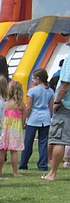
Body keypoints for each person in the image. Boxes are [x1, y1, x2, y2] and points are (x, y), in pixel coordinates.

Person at [43, 43, 70, 182]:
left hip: (66, 105)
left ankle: (52, 173)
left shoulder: (69, 58)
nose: (66, 39)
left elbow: (65, 84)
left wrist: (57, 101)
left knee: (59, 139)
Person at [19, 68, 54, 172]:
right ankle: (43, 165)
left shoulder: (32, 91)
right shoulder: (50, 91)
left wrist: (24, 119)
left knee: (28, 142)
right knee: (43, 142)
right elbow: (50, 107)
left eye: (34, 78)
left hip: (33, 118)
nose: (33, 80)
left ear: (38, 79)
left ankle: (23, 163)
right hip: (45, 118)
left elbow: (28, 107)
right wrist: (50, 116)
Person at [0, 79, 26, 177]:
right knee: (14, 151)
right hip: (15, 129)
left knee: (2, 150)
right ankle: (15, 172)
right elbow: (23, 119)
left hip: (5, 127)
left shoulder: (5, 103)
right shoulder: (21, 105)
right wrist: (21, 126)